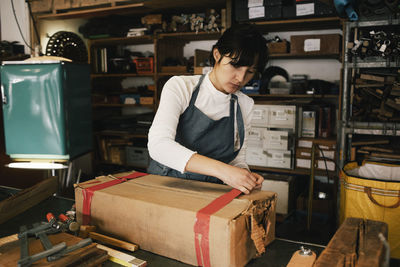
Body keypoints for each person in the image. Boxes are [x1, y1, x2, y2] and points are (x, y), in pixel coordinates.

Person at [147, 23, 268, 194]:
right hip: (166, 186)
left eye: (250, 71)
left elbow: (237, 159)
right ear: (217, 54)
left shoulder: (245, 104)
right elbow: (159, 146)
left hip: (210, 192)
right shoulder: (181, 86)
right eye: (235, 65)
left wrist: (245, 177)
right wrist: (225, 172)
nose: (241, 78)